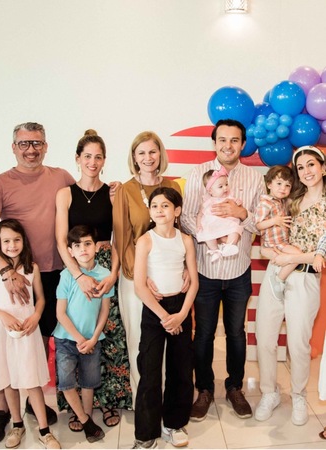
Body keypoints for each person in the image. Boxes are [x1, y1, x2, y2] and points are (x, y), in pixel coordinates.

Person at [0, 122, 74, 442]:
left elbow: (85, 197)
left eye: (36, 143)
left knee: (40, 338)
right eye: (24, 144)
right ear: (14, 147)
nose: (31, 149)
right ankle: (3, 409)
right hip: (15, 274)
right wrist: (6, 272)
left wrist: (111, 190)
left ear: (45, 146)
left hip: (53, 272)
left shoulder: (61, 177)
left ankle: (33, 400)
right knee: (7, 341)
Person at [181, 118, 265, 421]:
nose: (228, 146)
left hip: (239, 271)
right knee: (203, 334)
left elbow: (260, 224)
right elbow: (186, 217)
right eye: (222, 140)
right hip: (205, 269)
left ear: (243, 144)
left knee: (236, 333)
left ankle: (234, 387)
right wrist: (211, 233)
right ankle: (204, 389)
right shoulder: (198, 174)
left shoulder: (255, 179)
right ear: (214, 143)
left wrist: (241, 214)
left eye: (234, 140)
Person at [55, 129, 131, 431]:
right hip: (75, 268)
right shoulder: (65, 194)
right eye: (87, 156)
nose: (93, 162)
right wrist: (77, 276)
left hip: (105, 270)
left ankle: (109, 400)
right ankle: (76, 407)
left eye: (98, 157)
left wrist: (113, 273)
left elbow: (119, 237)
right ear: (77, 158)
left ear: (104, 160)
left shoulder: (112, 193)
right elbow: (61, 241)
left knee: (109, 336)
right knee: (77, 335)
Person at [112, 130, 185, 408]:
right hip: (136, 279)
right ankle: (143, 403)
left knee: (169, 341)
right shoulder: (125, 191)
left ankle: (167, 403)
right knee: (140, 343)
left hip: (169, 279)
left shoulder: (173, 186)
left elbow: (179, 232)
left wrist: (185, 268)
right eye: (141, 152)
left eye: (152, 151)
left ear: (160, 154)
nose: (147, 157)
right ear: (134, 157)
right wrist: (141, 277)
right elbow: (122, 238)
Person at [255, 145, 326, 426]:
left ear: (323, 167)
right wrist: (271, 253)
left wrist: (293, 258)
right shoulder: (291, 200)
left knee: (297, 344)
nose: (306, 171)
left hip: (305, 278)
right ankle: (269, 393)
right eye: (301, 167)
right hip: (275, 271)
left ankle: (298, 395)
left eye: (311, 164)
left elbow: (321, 256)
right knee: (265, 337)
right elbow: (268, 237)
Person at [0, 219, 60, 449]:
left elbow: (41, 299)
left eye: (16, 240)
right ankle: (17, 424)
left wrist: (36, 316)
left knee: (31, 380)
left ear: (24, 241)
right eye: (6, 241)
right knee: (8, 380)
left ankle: (44, 431)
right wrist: (3, 316)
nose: (12, 245)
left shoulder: (32, 268)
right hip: (2, 332)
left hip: (27, 331)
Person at [133, 187, 198, 449]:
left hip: (180, 307)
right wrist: (164, 317)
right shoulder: (145, 240)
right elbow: (140, 286)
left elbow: (194, 282)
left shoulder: (186, 240)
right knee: (149, 371)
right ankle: (146, 432)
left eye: (165, 205)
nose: (159, 210)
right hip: (155, 310)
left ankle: (174, 423)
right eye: (155, 206)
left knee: (180, 369)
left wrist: (181, 315)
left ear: (177, 210)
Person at [53, 225, 113, 444]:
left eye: (88, 244)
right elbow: (60, 313)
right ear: (70, 251)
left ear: (96, 247)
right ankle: (85, 420)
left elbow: (105, 310)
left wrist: (94, 338)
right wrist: (79, 339)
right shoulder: (67, 275)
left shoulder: (104, 275)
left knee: (89, 382)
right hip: (66, 339)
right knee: (67, 383)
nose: (83, 249)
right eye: (77, 246)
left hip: (92, 340)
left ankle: (87, 419)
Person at [254, 165, 302, 300]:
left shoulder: (281, 202)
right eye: (279, 183)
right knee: (298, 255)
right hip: (275, 243)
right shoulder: (265, 203)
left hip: (282, 241)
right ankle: (279, 280)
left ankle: (281, 279)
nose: (283, 188)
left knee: (294, 256)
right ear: (269, 184)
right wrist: (275, 221)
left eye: (287, 185)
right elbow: (258, 225)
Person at [196, 167, 244, 261]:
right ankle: (215, 250)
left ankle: (229, 246)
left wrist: (238, 203)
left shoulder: (230, 198)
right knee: (206, 233)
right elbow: (200, 214)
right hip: (213, 225)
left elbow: (239, 207)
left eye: (226, 184)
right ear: (210, 191)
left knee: (235, 230)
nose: (225, 188)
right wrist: (198, 225)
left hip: (228, 224)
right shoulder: (207, 201)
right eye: (220, 186)